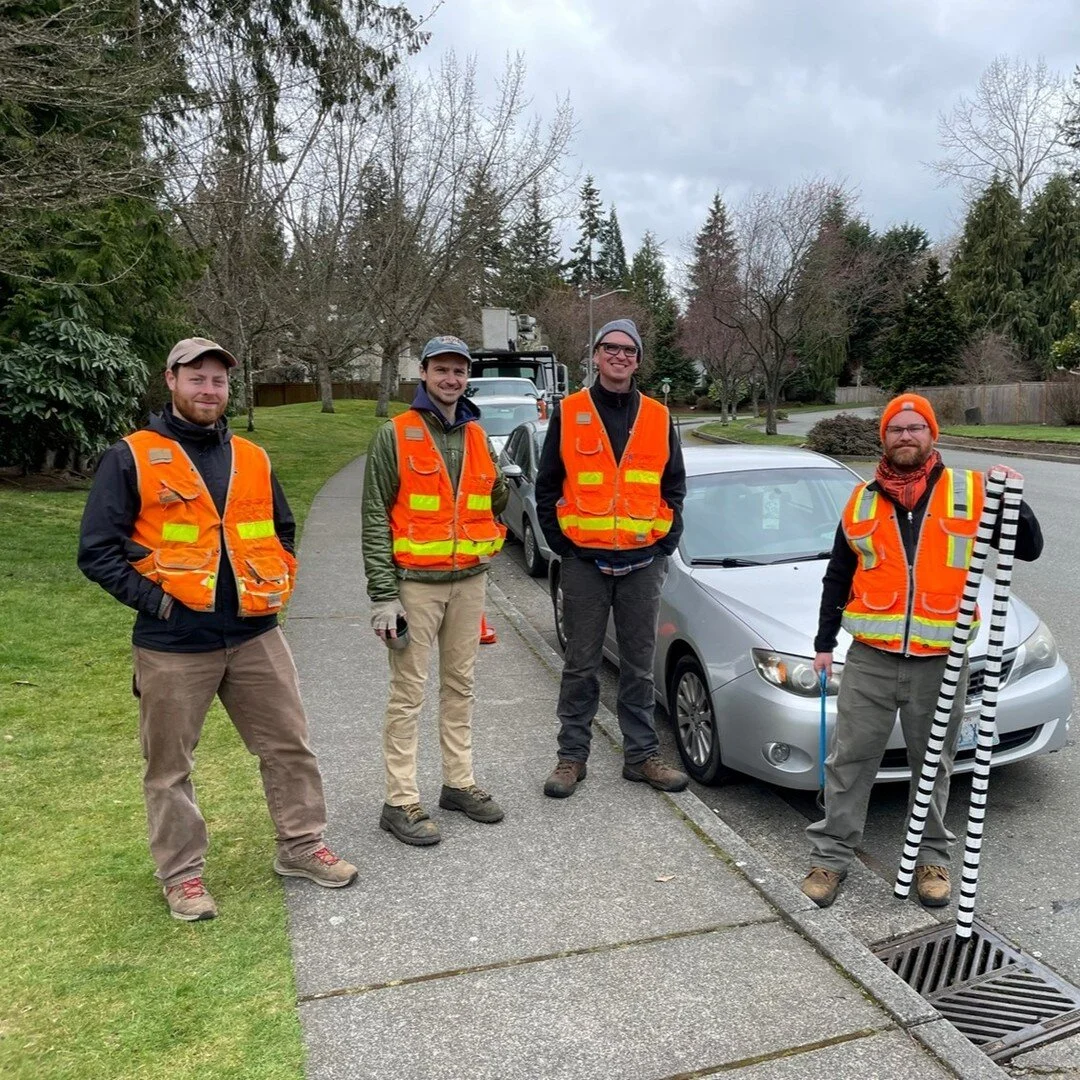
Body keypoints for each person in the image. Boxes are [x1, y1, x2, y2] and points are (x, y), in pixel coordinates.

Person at [78, 337, 356, 922]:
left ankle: (301, 846)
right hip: (175, 644)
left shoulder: (252, 456)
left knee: (289, 746)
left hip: (256, 634)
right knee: (170, 766)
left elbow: (281, 530)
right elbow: (98, 551)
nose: (209, 390)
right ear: (171, 381)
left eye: (219, 381)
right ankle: (181, 876)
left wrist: (275, 583)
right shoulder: (131, 455)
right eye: (197, 378)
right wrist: (159, 606)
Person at [801, 393, 1043, 909]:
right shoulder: (861, 500)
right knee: (849, 762)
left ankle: (931, 858)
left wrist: (1013, 499)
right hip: (870, 658)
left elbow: (1029, 546)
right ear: (883, 438)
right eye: (896, 429)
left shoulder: (971, 490)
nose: (905, 436)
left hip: (943, 660)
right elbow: (838, 575)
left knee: (932, 764)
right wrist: (824, 642)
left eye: (915, 428)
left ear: (932, 435)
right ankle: (831, 856)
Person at [362, 335, 509, 846]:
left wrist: (501, 485)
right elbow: (375, 518)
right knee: (408, 693)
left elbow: (491, 498)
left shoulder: (476, 435)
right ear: (423, 373)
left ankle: (458, 783)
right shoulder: (395, 434)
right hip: (414, 587)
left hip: (469, 581)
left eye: (459, 371)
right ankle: (399, 800)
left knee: (461, 686)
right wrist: (383, 595)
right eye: (442, 370)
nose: (451, 379)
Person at [535, 319, 689, 798]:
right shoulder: (571, 410)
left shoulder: (660, 417)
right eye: (611, 348)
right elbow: (547, 487)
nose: (620, 356)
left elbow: (675, 488)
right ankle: (571, 758)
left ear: (638, 360)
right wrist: (566, 547)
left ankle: (641, 758)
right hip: (584, 564)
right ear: (596, 356)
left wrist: (663, 544)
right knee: (580, 664)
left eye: (629, 350)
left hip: (644, 564)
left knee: (640, 666)